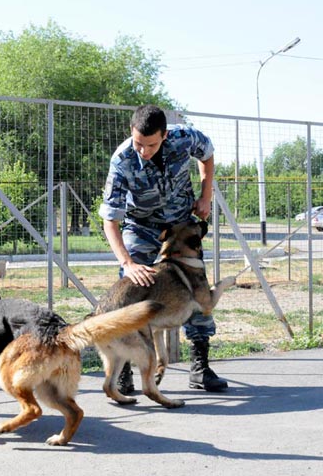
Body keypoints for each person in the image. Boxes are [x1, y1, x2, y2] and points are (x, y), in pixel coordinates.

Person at [98, 104, 228, 393]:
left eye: (151, 144)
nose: (144, 150)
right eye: (138, 143)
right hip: (141, 225)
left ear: (165, 135)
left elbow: (207, 154)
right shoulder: (122, 160)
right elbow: (110, 220)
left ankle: (200, 366)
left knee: (195, 289)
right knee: (130, 288)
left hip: (181, 223)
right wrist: (128, 262)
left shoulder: (185, 138)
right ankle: (125, 369)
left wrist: (206, 196)